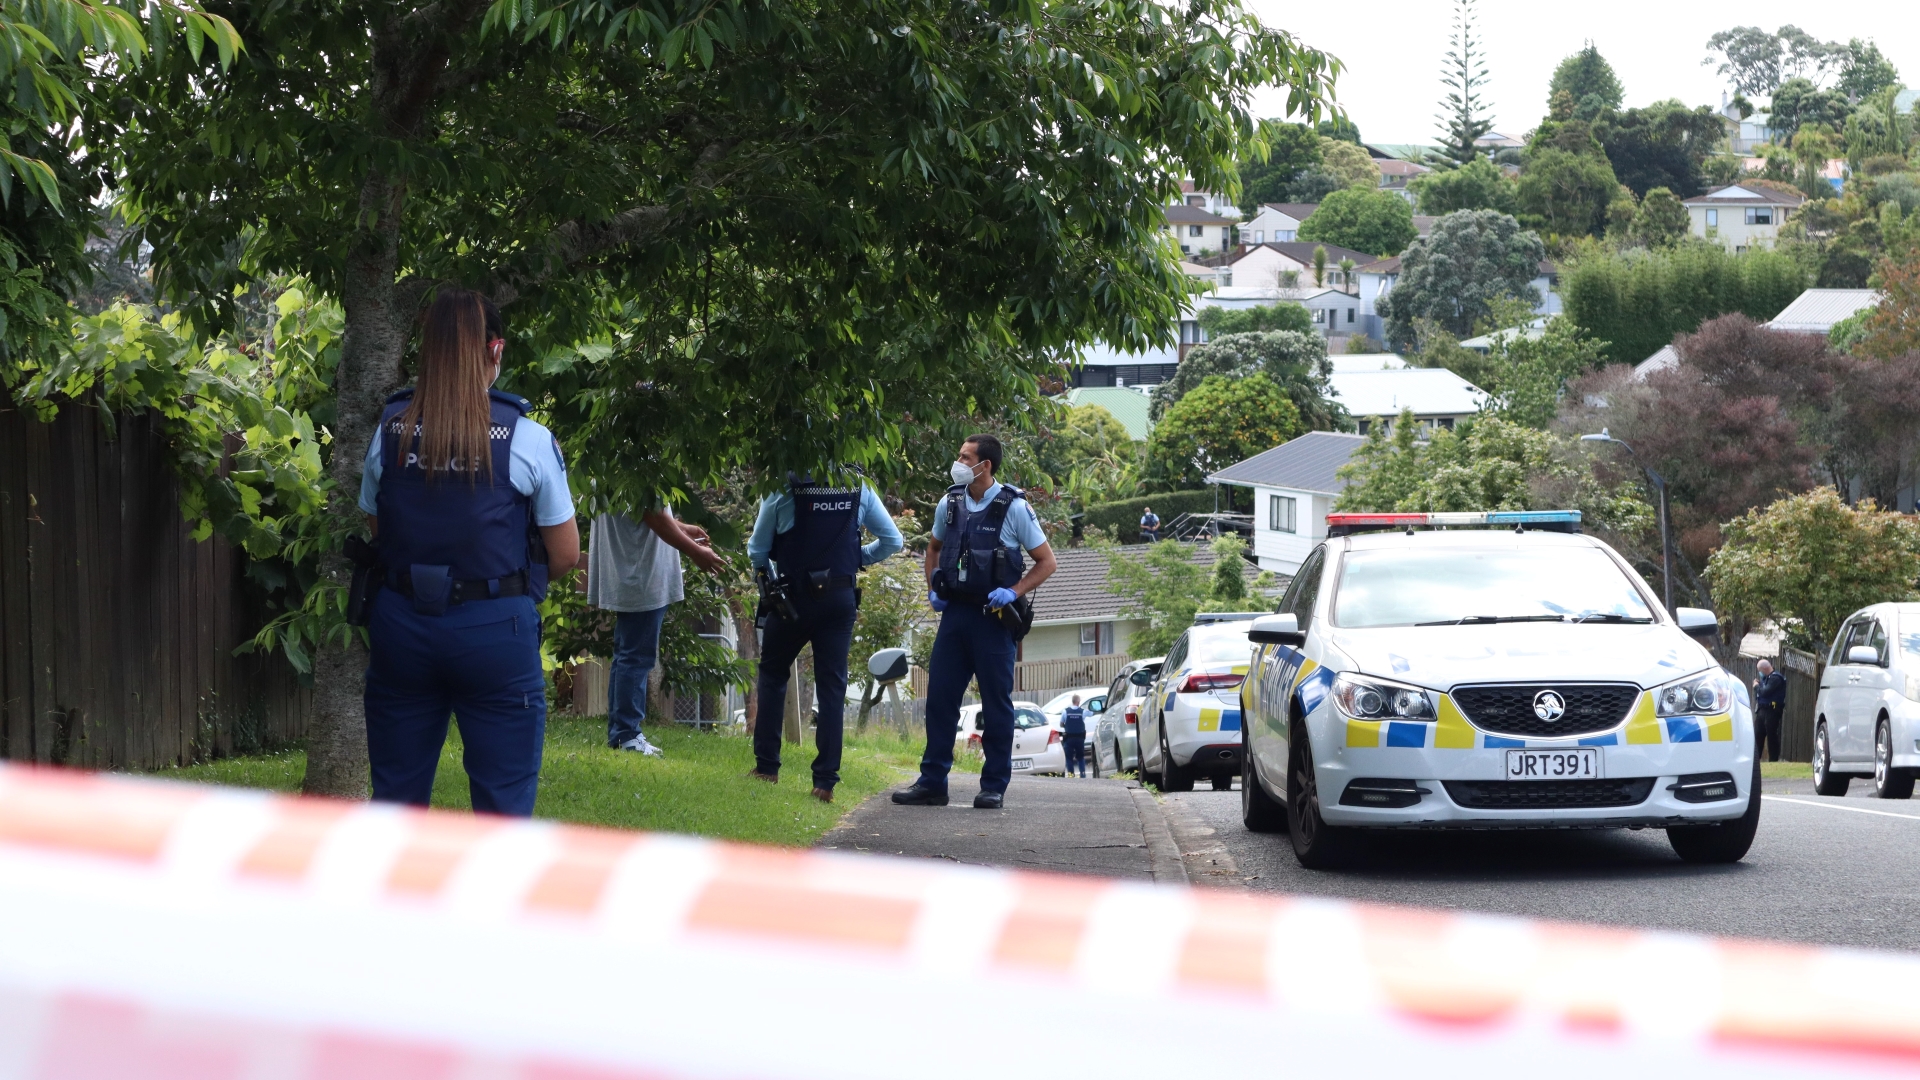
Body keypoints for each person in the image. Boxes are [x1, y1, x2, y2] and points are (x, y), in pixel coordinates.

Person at [357, 288, 577, 817]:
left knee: (395, 805)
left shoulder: (389, 434)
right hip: (495, 632)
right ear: (495, 350)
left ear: (427, 351)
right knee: (502, 811)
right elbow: (566, 554)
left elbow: (377, 526)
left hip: (402, 629)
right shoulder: (527, 438)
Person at [893, 434, 1058, 809]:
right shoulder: (949, 502)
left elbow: (1047, 562)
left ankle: (994, 786)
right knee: (940, 701)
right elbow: (933, 549)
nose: (958, 462)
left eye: (965, 457)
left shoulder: (1014, 508)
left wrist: (1013, 591)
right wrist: (933, 588)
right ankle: (932, 782)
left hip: (993, 618)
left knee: (996, 704)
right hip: (954, 616)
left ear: (984, 465)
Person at [744, 470, 902, 801]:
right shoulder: (858, 485)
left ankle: (766, 768)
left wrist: (768, 577)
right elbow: (893, 541)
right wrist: (856, 558)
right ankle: (825, 781)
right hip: (839, 597)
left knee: (773, 675)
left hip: (792, 598)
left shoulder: (784, 485)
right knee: (832, 686)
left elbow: (758, 549)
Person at [584, 504, 727, 756]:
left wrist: (680, 528)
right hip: (640, 573)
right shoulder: (639, 463)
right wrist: (696, 552)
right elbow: (652, 514)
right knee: (635, 657)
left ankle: (621, 733)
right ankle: (627, 735)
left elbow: (641, 513)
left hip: (629, 569)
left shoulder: (610, 464)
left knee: (627, 655)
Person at [1753, 658, 1787, 763]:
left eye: (1760, 670)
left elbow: (1765, 692)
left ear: (1764, 669)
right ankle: (1755, 760)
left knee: (1771, 735)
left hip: (1772, 710)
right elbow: (1759, 695)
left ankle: (1773, 760)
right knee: (1758, 735)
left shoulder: (1776, 678)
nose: (1759, 673)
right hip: (1761, 710)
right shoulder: (1765, 679)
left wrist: (1756, 686)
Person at [1060, 695, 1088, 778]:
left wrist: (1067, 725)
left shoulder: (1065, 711)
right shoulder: (1082, 712)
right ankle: (1082, 774)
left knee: (1069, 758)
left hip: (1069, 739)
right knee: (1080, 757)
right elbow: (1091, 713)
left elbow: (1061, 724)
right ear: (1078, 702)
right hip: (1080, 739)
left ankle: (1071, 775)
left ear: (1072, 701)